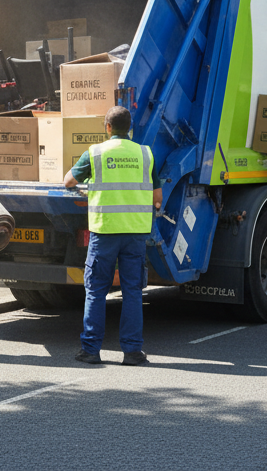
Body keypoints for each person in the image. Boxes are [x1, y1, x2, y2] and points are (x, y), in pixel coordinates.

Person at [64, 105, 162, 365]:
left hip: (104, 230)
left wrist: (89, 187)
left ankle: (91, 350)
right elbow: (157, 198)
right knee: (132, 291)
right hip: (135, 233)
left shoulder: (95, 153)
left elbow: (68, 181)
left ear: (107, 128)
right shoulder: (145, 154)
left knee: (96, 290)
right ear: (130, 129)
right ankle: (132, 352)